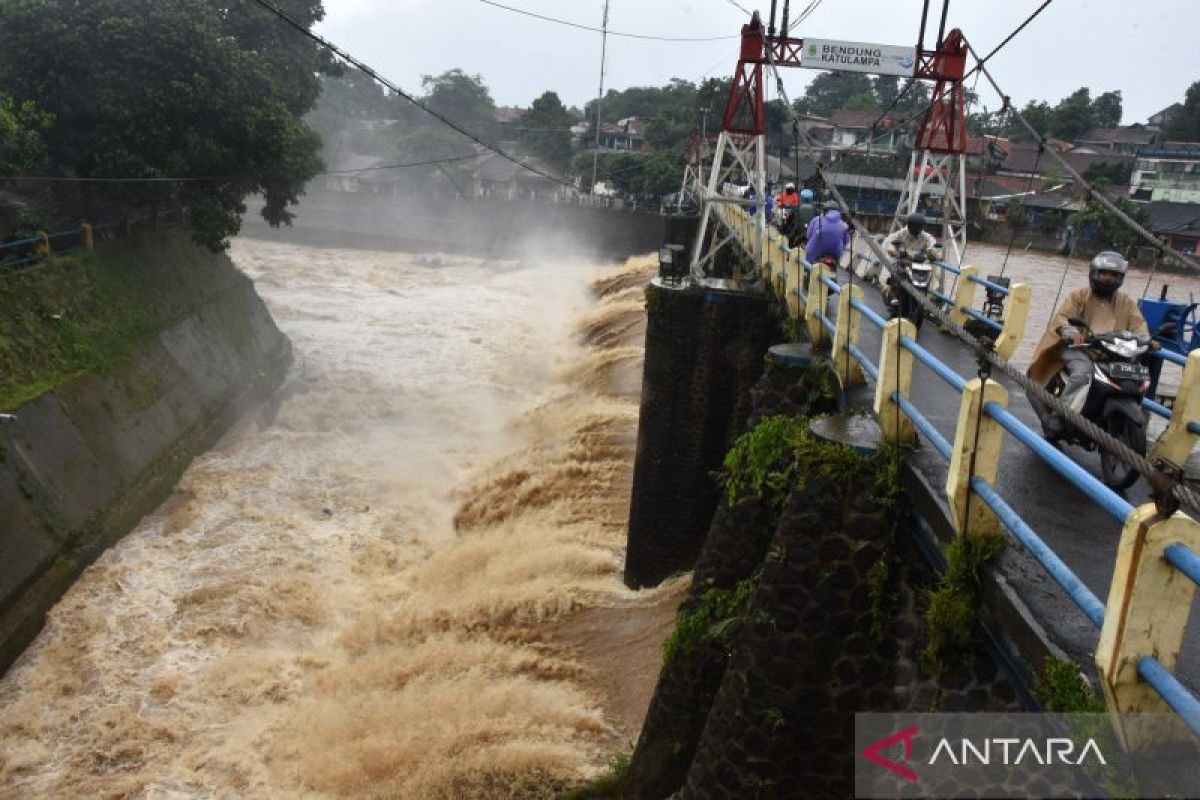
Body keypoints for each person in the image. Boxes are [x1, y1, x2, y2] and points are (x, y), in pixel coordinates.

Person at [1026, 251, 1150, 441]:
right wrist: (1070, 331)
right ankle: (1061, 415)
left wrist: (1146, 339)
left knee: (1136, 374)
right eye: (1104, 273)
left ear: (1120, 278)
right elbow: (1062, 317)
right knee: (1082, 373)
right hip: (1079, 348)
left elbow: (1138, 324)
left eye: (1113, 275)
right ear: (1094, 273)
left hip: (1112, 352)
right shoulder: (1079, 296)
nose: (1108, 278)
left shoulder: (1125, 301)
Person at [883, 212, 944, 290]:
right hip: (902, 262)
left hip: (918, 265)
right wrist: (899, 253)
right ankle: (891, 289)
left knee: (933, 272)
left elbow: (933, 246)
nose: (917, 233)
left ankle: (932, 291)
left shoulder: (925, 236)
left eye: (919, 230)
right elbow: (888, 245)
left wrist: (935, 254)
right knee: (896, 272)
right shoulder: (900, 234)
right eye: (915, 230)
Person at [805, 199, 850, 267]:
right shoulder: (843, 225)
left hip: (815, 254)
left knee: (807, 266)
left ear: (825, 210)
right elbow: (846, 241)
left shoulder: (816, 220)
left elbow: (808, 235)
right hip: (834, 255)